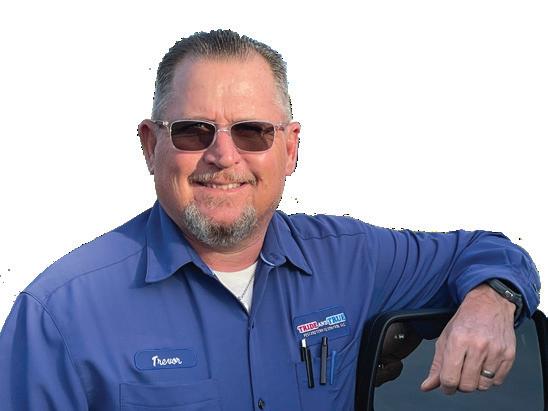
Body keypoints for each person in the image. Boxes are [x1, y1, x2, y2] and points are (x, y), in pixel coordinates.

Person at [0, 29, 541, 411]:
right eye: (193, 131)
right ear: (150, 145)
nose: (223, 155)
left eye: (252, 131)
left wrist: (492, 300)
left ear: (290, 148)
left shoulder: (354, 260)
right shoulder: (58, 315)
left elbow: (487, 251)